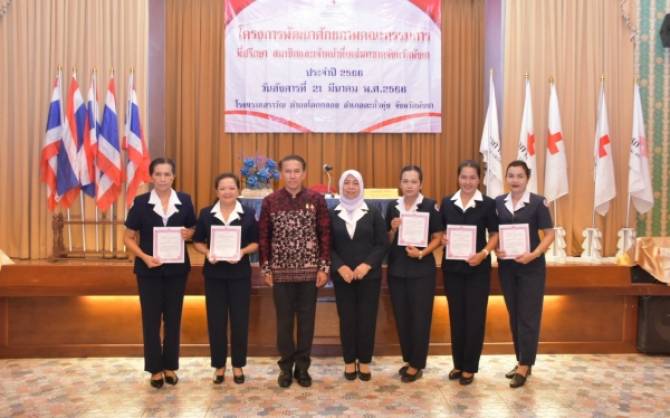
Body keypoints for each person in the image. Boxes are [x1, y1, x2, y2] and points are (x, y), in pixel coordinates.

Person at [123, 157, 196, 388]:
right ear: (151, 177)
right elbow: (128, 237)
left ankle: (170, 366)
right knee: (151, 319)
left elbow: (193, 229)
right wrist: (144, 257)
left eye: (167, 174)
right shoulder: (140, 202)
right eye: (158, 174)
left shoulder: (185, 200)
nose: (163, 179)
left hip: (177, 270)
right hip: (148, 270)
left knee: (173, 319)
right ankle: (155, 368)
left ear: (173, 177)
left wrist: (190, 234)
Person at [258, 154, 330, 388]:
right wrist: (266, 267)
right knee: (284, 322)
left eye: (296, 171)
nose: (292, 175)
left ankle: (303, 367)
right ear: (281, 174)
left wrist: (323, 267)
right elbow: (264, 237)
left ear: (304, 173)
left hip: (310, 272)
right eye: (288, 171)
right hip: (280, 273)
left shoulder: (316, 200)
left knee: (307, 322)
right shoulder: (270, 201)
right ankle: (286, 367)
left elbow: (325, 234)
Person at [193, 173, 258, 385]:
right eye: (222, 188)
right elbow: (197, 241)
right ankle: (219, 365)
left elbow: (256, 242)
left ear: (238, 190)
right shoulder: (206, 214)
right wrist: (207, 252)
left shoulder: (248, 214)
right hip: (214, 275)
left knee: (240, 321)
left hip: (240, 275)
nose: (227, 192)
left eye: (231, 188)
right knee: (216, 321)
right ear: (216, 191)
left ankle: (238, 364)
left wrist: (242, 252)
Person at [495, 160, 555, 388]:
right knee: (514, 314)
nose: (515, 180)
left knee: (528, 316)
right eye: (511, 175)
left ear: (527, 178)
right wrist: (497, 249)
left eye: (519, 176)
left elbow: (549, 234)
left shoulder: (538, 202)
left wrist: (535, 254)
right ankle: (522, 359)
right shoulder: (499, 202)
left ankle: (525, 364)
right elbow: (496, 233)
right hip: (507, 268)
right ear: (506, 178)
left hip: (531, 267)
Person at [439, 160, 499, 386]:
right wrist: (443, 238)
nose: (467, 182)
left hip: (477, 269)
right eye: (464, 177)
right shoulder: (447, 203)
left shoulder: (488, 204)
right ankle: (458, 363)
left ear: (479, 180)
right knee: (456, 317)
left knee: (475, 318)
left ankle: (470, 366)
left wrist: (484, 253)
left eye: (472, 177)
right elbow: (440, 232)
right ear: (458, 178)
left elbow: (494, 234)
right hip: (452, 269)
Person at [386, 165, 443, 383]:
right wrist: (392, 229)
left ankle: (418, 363)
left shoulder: (429, 205)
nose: (409, 185)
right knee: (402, 317)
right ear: (400, 183)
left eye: (414, 181)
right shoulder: (393, 206)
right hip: (397, 270)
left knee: (420, 317)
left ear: (421, 184)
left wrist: (421, 253)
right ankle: (409, 359)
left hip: (421, 270)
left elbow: (438, 237)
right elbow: (387, 240)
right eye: (405, 181)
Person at [329, 170, 388, 381]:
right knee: (346, 319)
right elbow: (326, 245)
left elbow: (382, 244)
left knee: (367, 319)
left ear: (361, 186)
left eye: (355, 183)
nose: (351, 187)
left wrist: (367, 265)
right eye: (347, 183)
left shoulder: (373, 212)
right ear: (341, 186)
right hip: (342, 276)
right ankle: (348, 361)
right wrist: (339, 267)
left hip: (368, 276)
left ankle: (364, 361)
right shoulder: (332, 213)